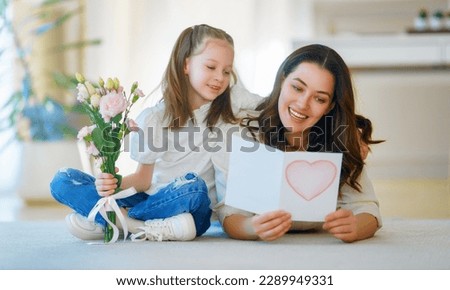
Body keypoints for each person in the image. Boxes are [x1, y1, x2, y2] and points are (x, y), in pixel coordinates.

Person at [50, 24, 261, 242]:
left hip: (192, 208)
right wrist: (110, 183)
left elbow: (271, 103)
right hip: (153, 201)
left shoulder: (233, 101)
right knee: (63, 180)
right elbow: (143, 181)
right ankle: (135, 224)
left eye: (226, 71)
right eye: (211, 67)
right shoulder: (155, 117)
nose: (220, 78)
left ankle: (115, 220)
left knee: (194, 186)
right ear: (186, 64)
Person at [212, 44, 384, 243]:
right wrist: (252, 228)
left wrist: (356, 227)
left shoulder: (340, 139)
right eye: (297, 88)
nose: (303, 104)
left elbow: (367, 209)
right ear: (283, 80)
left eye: (319, 98)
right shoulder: (247, 134)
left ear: (330, 107)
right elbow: (229, 213)